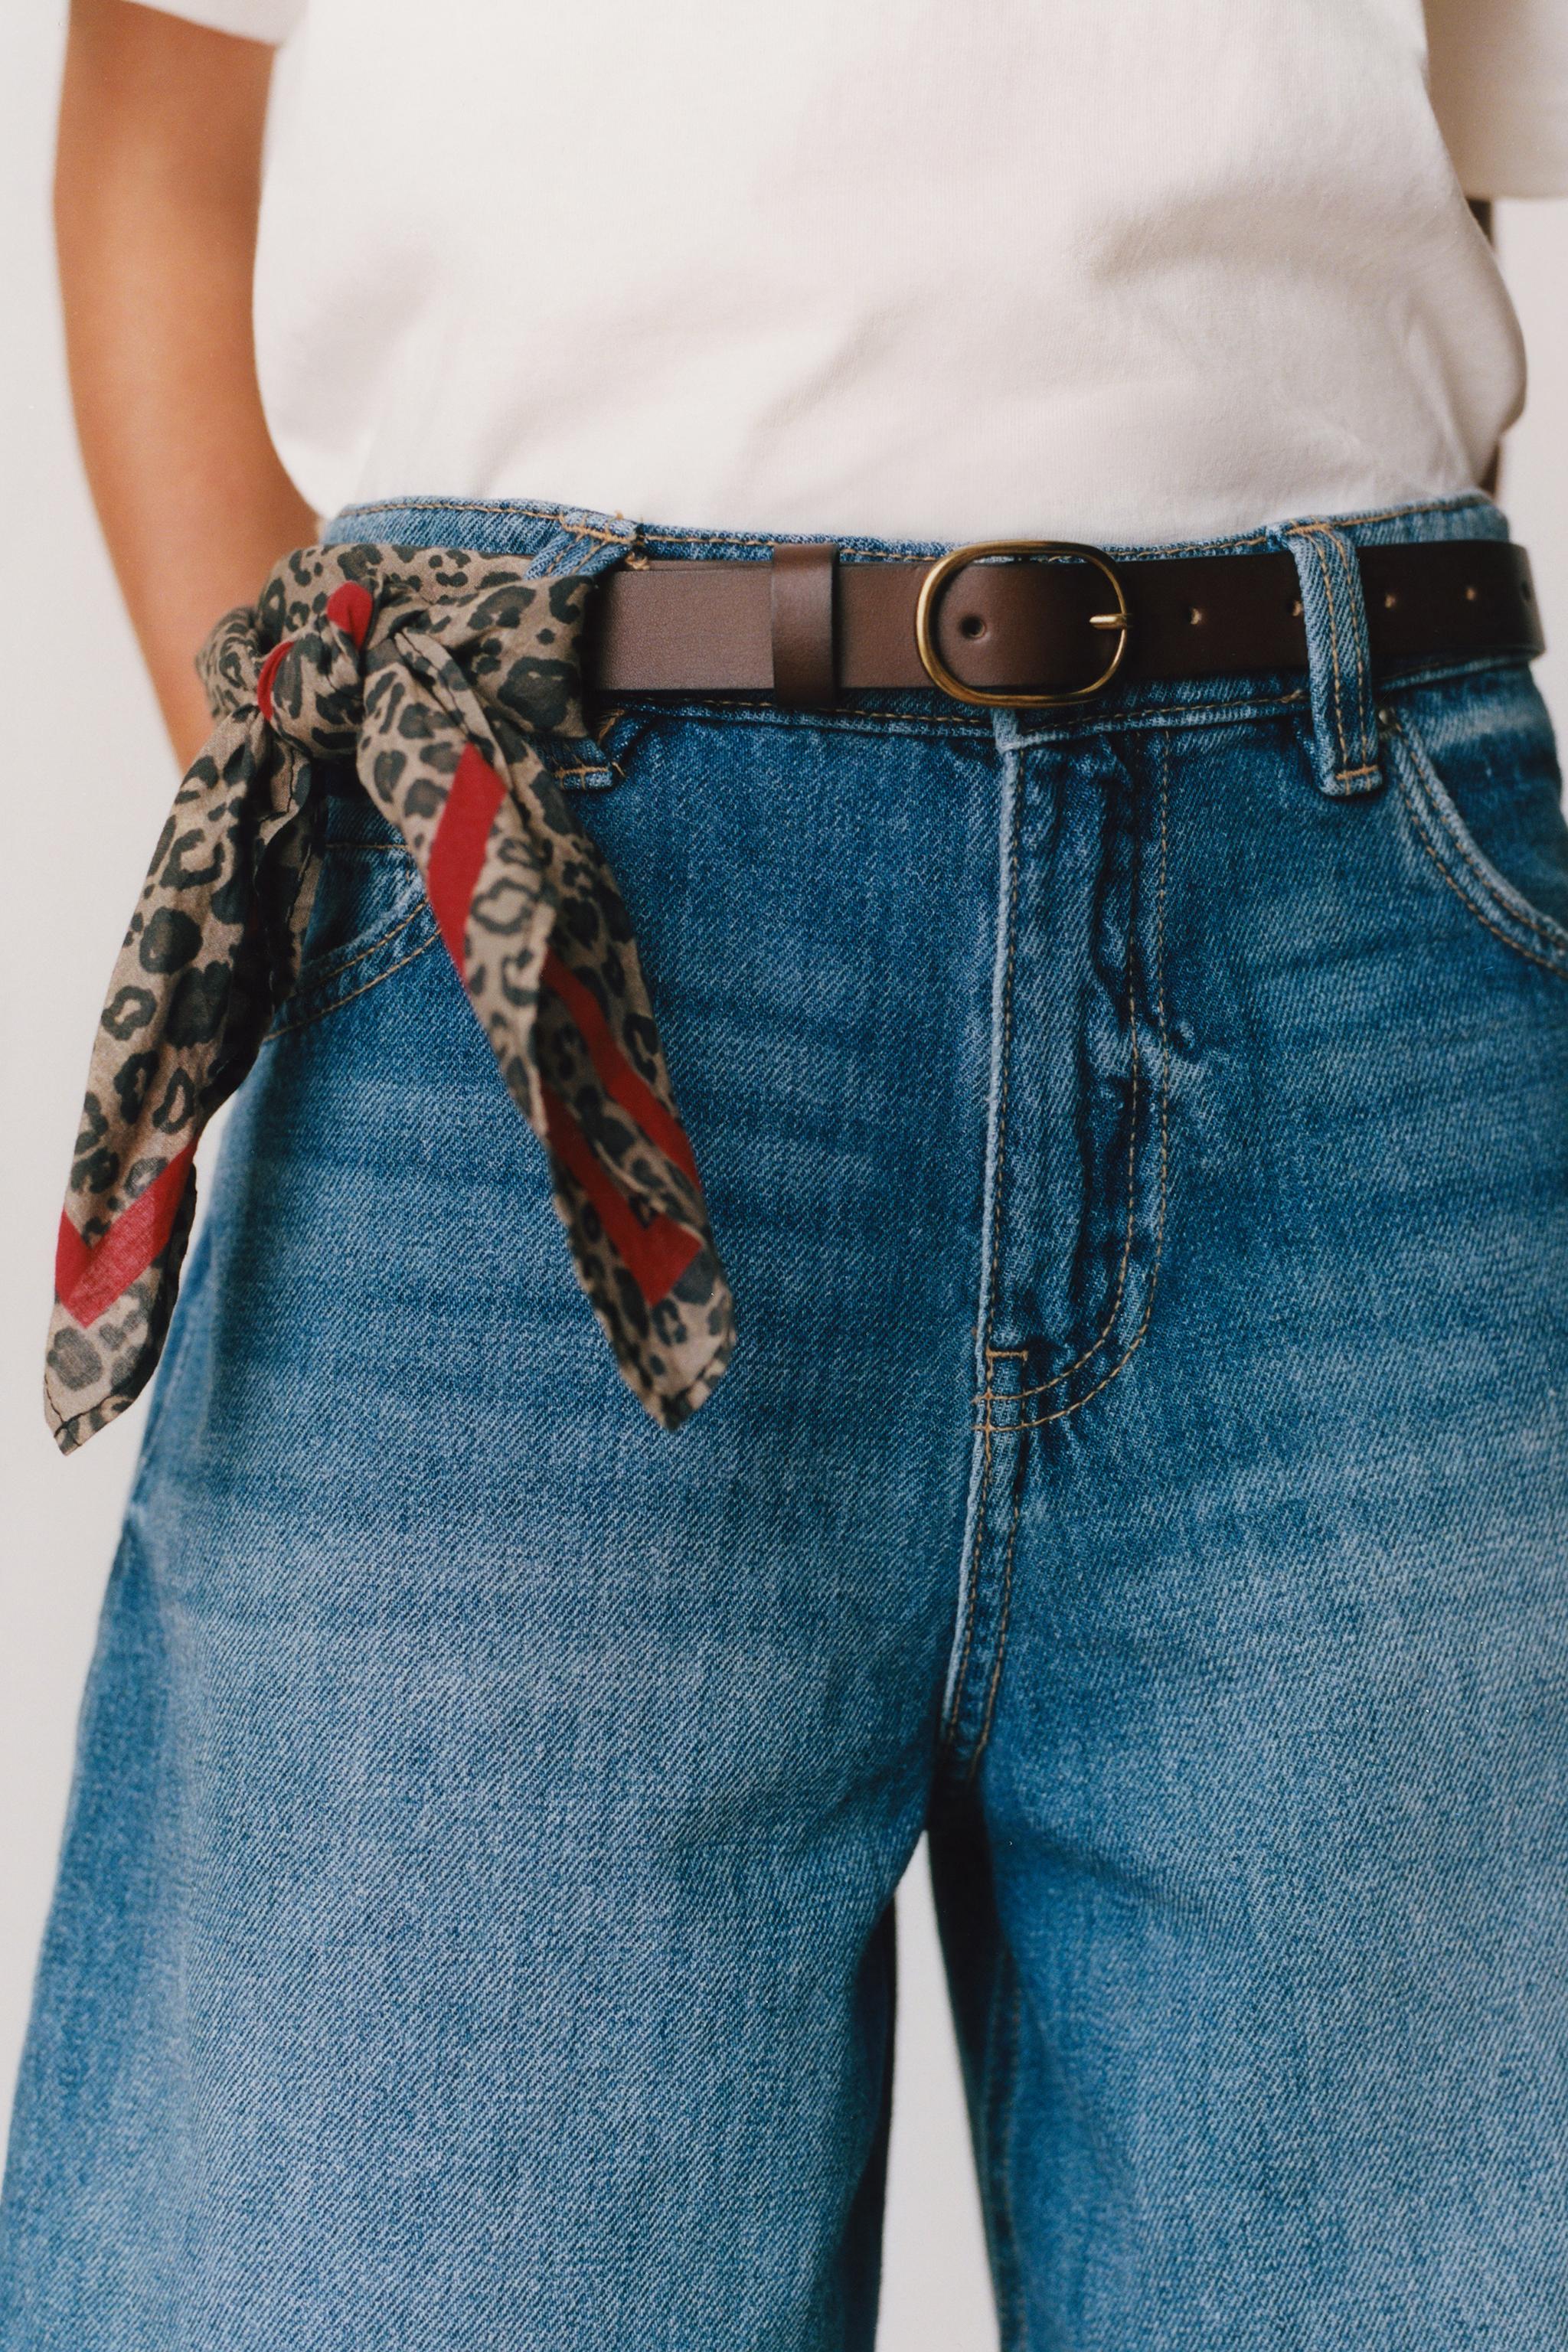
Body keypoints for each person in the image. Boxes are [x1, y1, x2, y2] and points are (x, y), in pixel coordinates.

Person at [4, 1, 1568, 2345]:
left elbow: (1367, 183)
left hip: (1339, 896)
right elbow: (165, 129)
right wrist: (378, 907)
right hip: (534, 938)